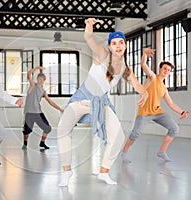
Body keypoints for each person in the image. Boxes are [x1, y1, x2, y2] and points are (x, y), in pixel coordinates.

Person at [57, 18, 149, 187]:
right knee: (62, 131)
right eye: (114, 43)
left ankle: (104, 172)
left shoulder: (125, 68)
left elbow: (136, 84)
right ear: (109, 46)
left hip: (101, 103)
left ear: (126, 45)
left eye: (121, 42)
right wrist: (89, 26)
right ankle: (66, 171)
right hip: (81, 100)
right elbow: (89, 39)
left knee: (119, 136)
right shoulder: (102, 55)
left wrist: (144, 93)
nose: (118, 46)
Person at [121, 48, 189, 163]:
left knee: (174, 128)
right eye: (165, 69)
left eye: (168, 70)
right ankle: (124, 152)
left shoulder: (163, 88)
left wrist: (182, 112)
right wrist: (144, 54)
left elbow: (171, 103)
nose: (166, 71)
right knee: (136, 133)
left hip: (157, 112)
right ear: (160, 69)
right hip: (144, 112)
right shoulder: (152, 77)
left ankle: (162, 151)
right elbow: (143, 64)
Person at [22, 66, 64, 150]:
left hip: (38, 112)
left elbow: (50, 102)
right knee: (27, 131)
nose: (40, 80)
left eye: (42, 79)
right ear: (37, 79)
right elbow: (28, 74)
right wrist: (37, 68)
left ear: (44, 81)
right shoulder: (33, 85)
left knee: (47, 128)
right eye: (39, 79)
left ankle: (42, 143)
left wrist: (60, 109)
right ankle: (25, 144)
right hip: (29, 112)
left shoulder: (43, 91)